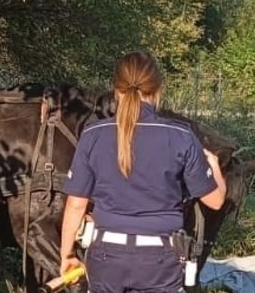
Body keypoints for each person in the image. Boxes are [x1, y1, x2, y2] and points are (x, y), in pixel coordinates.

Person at [58, 51, 227, 293]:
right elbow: (216, 200)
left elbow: (76, 205)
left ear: (116, 90)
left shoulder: (93, 135)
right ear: (158, 90)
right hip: (160, 260)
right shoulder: (181, 136)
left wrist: (67, 254)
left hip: (106, 258)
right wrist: (216, 170)